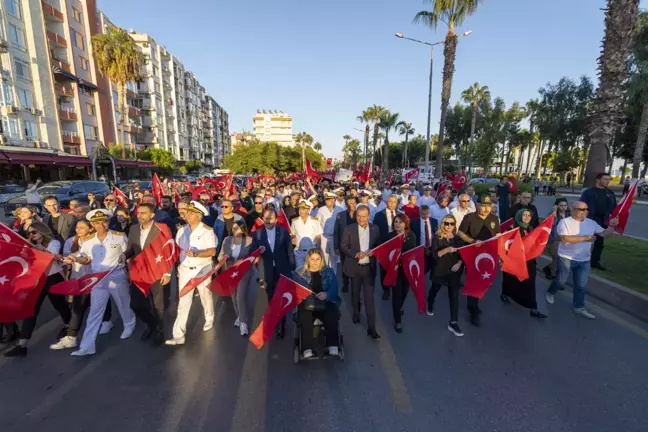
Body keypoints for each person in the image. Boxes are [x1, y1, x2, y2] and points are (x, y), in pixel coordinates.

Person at [66, 210, 136, 356]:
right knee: (94, 312)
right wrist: (76, 259)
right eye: (97, 222)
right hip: (98, 278)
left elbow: (128, 254)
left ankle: (129, 324)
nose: (100, 225)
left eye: (103, 221)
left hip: (116, 275)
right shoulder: (88, 240)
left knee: (123, 304)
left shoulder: (119, 236)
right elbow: (86, 259)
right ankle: (87, 346)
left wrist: (130, 273)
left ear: (108, 222)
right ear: (92, 224)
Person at [4, 222, 70, 357]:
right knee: (31, 310)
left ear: (42, 231)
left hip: (52, 277)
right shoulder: (28, 245)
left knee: (59, 305)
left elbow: (53, 256)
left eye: (34, 232)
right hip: (38, 280)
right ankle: (22, 344)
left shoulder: (53, 242)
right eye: (29, 233)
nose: (31, 235)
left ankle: (70, 326)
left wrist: (36, 248)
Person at [545, 201, 619, 319]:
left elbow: (604, 234)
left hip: (584, 260)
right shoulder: (564, 222)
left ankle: (578, 307)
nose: (584, 212)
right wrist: (586, 238)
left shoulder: (591, 223)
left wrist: (612, 226)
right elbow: (565, 238)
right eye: (581, 209)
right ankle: (551, 292)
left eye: (586, 209)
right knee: (560, 281)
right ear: (573, 209)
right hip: (566, 258)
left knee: (581, 286)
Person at [166, 202, 218, 346]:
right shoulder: (182, 230)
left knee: (205, 296)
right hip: (185, 270)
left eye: (190, 213)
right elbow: (177, 250)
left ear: (198, 216)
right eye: (187, 212)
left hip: (202, 269)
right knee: (183, 301)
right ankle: (178, 335)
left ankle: (209, 317)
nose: (186, 215)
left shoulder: (207, 231)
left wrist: (197, 253)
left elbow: (212, 251)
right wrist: (177, 266)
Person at [123, 203, 170, 347]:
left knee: (157, 305)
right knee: (136, 304)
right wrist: (124, 255)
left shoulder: (161, 229)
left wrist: (167, 272)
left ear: (152, 215)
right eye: (138, 213)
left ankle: (159, 332)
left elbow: (168, 250)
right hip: (139, 273)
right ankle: (151, 325)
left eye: (143, 213)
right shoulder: (134, 229)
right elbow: (131, 249)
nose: (140, 216)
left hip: (157, 271)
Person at [456, 195, 501, 327]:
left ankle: (475, 302)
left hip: (487, 256)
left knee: (483, 280)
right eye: (483, 206)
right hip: (472, 254)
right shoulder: (469, 217)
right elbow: (460, 233)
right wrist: (473, 241)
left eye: (488, 206)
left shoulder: (494, 219)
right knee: (474, 280)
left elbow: (497, 234)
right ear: (477, 206)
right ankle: (473, 309)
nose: (486, 209)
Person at [251, 207, 296, 339]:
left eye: (270, 218)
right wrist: (259, 251)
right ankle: (276, 317)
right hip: (267, 271)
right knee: (271, 297)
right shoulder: (257, 234)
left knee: (281, 296)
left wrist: (292, 267)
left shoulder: (283, 232)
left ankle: (281, 324)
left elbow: (289, 250)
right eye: (266, 218)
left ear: (276, 219)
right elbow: (253, 252)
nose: (268, 220)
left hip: (283, 268)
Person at [340, 205, 381, 339]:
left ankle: (371, 327)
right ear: (355, 215)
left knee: (369, 298)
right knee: (355, 292)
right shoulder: (349, 229)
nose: (361, 219)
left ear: (369, 216)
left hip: (369, 269)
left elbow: (379, 247)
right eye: (359, 216)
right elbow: (344, 246)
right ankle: (356, 312)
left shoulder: (375, 229)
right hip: (354, 267)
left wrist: (373, 252)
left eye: (364, 216)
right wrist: (355, 253)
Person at [292, 249, 341, 358]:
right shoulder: (300, 273)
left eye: (318, 259)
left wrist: (326, 294)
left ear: (321, 260)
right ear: (308, 260)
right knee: (305, 316)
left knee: (331, 313)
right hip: (307, 304)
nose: (315, 262)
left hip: (325, 302)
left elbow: (334, 288)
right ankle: (307, 348)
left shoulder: (328, 271)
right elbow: (294, 290)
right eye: (312, 259)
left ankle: (333, 345)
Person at [500, 209, 548, 319]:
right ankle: (505, 293)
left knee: (530, 283)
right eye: (524, 215)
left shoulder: (531, 229)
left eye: (529, 215)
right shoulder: (512, 228)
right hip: (514, 259)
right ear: (519, 215)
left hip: (529, 260)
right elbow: (506, 243)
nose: (526, 217)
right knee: (510, 279)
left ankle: (533, 308)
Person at [427, 214, 464, 336]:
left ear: (454, 225)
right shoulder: (437, 237)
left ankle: (453, 322)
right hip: (440, 269)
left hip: (454, 270)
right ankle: (430, 302)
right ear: (443, 224)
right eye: (447, 223)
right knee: (435, 289)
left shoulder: (458, 238)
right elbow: (433, 255)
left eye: (451, 224)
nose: (449, 226)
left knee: (454, 296)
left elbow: (463, 254)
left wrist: (460, 262)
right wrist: (446, 250)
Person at [218, 220, 255, 336]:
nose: (235, 231)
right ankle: (240, 316)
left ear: (243, 229)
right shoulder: (227, 240)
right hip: (230, 272)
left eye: (237, 228)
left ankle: (243, 323)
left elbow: (253, 257)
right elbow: (220, 256)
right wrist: (224, 258)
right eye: (233, 228)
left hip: (244, 272)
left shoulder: (249, 240)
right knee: (233, 296)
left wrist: (242, 261)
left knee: (240, 296)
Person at [386, 215, 417, 333]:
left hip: (407, 270)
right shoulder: (389, 237)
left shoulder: (411, 236)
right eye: (396, 222)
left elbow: (413, 251)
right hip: (394, 270)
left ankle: (401, 305)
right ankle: (397, 320)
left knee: (405, 292)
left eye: (400, 222)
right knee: (396, 295)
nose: (397, 224)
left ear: (406, 224)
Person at [579, 173, 617, 270]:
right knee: (585, 240)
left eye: (609, 179)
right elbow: (581, 205)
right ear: (598, 180)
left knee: (599, 242)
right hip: (590, 219)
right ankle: (579, 259)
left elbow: (614, 208)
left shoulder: (610, 193)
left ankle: (595, 261)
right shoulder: (588, 192)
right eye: (605, 179)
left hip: (603, 220)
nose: (608, 181)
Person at [333, 195, 358, 293]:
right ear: (346, 204)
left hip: (356, 246)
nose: (352, 205)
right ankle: (345, 283)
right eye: (350, 203)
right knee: (345, 266)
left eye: (354, 203)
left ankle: (355, 284)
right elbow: (336, 232)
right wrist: (336, 247)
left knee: (356, 267)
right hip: (344, 246)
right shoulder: (341, 215)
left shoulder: (359, 214)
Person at [543, 198, 571, 279]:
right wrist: (554, 213)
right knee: (557, 257)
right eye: (561, 205)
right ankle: (552, 272)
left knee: (561, 259)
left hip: (565, 240)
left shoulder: (569, 215)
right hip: (553, 240)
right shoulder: (552, 214)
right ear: (556, 206)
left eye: (565, 205)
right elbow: (551, 225)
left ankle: (549, 268)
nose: (563, 207)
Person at [290, 200, 322, 269]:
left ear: (308, 210)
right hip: (299, 252)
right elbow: (292, 235)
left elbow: (318, 236)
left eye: (303, 209)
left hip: (312, 251)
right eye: (300, 208)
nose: (301, 211)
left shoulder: (315, 221)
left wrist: (318, 251)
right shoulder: (294, 221)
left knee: (312, 271)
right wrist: (292, 238)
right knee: (300, 272)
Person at [317, 191, 339, 269]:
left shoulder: (340, 210)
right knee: (324, 257)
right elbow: (317, 223)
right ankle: (326, 275)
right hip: (324, 237)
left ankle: (334, 275)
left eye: (329, 199)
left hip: (335, 237)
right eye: (326, 200)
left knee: (334, 258)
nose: (327, 201)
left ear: (333, 200)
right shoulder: (321, 210)